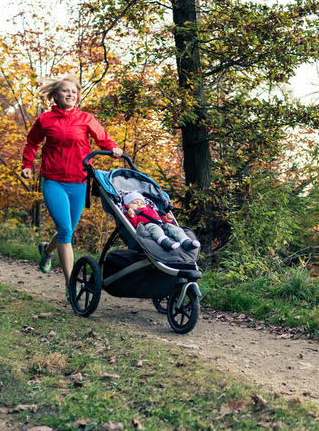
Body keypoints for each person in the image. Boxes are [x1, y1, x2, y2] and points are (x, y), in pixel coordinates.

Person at [21, 74, 123, 300]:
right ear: (55, 95)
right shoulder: (45, 120)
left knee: (67, 230)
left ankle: (46, 250)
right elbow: (32, 143)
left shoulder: (86, 119)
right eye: (66, 91)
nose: (70, 95)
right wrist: (27, 164)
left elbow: (103, 139)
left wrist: (114, 148)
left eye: (74, 92)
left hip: (79, 181)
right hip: (53, 181)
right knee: (66, 231)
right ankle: (70, 284)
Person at [123, 191, 200, 252]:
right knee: (155, 228)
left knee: (176, 229)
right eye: (135, 203)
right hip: (147, 227)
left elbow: (158, 219)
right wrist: (131, 216)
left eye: (142, 203)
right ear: (127, 205)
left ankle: (186, 242)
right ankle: (165, 243)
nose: (139, 205)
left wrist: (166, 220)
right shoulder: (131, 213)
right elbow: (133, 225)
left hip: (162, 225)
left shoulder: (150, 210)